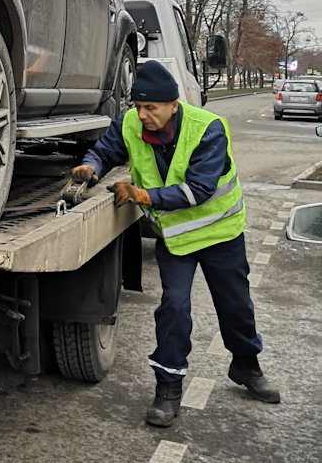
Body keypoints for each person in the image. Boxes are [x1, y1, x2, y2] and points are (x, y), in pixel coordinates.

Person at [67, 59, 280, 426]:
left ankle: (246, 365)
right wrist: (92, 166)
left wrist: (142, 195)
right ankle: (168, 387)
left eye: (151, 108)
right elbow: (106, 149)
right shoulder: (131, 124)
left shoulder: (209, 129)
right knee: (174, 309)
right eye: (138, 106)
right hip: (176, 239)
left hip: (220, 235)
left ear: (173, 105)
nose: (143, 114)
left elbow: (198, 189)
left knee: (236, 307)